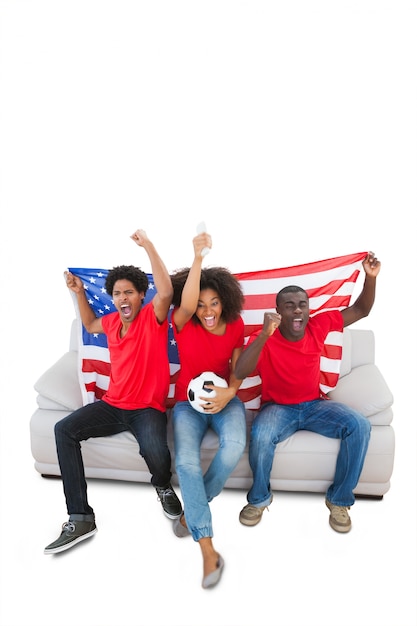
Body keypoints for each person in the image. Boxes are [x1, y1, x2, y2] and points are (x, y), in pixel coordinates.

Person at [44, 229, 182, 555]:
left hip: (147, 408)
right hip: (112, 405)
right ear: (113, 297)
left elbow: (166, 290)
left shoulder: (153, 317)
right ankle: (80, 517)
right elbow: (89, 325)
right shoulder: (109, 323)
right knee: (63, 429)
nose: (123, 298)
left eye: (130, 292)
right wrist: (79, 292)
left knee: (157, 456)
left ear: (140, 296)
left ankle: (162, 486)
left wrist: (148, 245)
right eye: (118, 293)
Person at [235, 251, 381, 533]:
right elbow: (240, 372)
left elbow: (362, 310)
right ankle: (259, 499)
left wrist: (370, 278)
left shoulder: (320, 324)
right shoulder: (265, 336)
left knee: (359, 425)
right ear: (279, 312)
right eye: (289, 306)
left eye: (302, 304)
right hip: (277, 408)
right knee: (262, 435)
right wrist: (264, 334)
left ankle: (339, 501)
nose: (298, 310)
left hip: (315, 405)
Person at [170, 230, 246, 589]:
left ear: (225, 303)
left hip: (225, 401)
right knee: (185, 462)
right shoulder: (183, 323)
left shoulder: (236, 326)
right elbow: (185, 305)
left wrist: (229, 394)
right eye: (201, 304)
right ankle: (207, 549)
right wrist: (198, 257)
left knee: (233, 446)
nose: (207, 311)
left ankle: (190, 512)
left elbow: (237, 370)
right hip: (188, 407)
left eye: (214, 303)